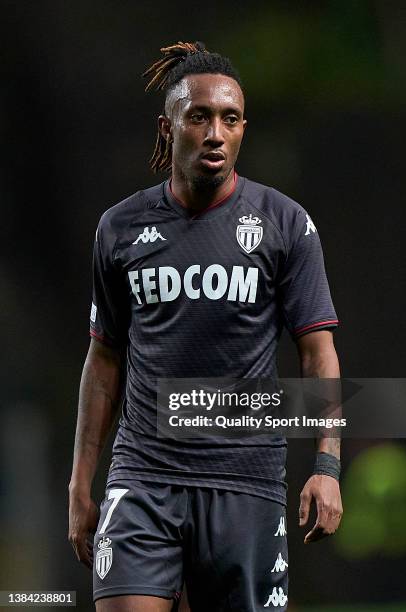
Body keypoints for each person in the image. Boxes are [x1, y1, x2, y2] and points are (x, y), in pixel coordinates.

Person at [68, 41, 343, 612]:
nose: (215, 132)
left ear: (243, 129)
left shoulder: (284, 223)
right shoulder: (119, 229)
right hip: (143, 476)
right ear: (168, 128)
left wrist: (326, 465)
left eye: (230, 118)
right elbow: (104, 361)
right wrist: (80, 484)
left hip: (245, 482)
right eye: (198, 116)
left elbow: (318, 352)